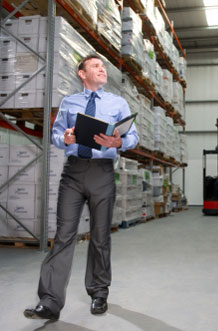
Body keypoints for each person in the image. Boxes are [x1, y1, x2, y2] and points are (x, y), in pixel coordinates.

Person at [24, 54, 139, 320]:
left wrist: (118, 143)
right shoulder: (69, 102)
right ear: (81, 73)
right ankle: (50, 302)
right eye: (96, 66)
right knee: (64, 235)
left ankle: (99, 293)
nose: (102, 69)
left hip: (102, 173)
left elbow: (133, 135)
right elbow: (56, 134)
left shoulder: (117, 103)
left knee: (100, 236)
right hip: (73, 173)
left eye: (103, 67)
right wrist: (64, 137)